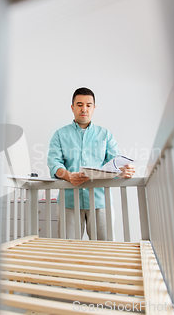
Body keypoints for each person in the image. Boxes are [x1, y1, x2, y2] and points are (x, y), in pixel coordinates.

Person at [47, 87, 135, 240]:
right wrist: (68, 176)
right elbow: (54, 164)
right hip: (69, 202)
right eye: (79, 104)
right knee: (68, 251)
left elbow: (114, 163)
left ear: (94, 108)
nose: (84, 109)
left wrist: (124, 170)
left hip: (100, 200)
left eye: (88, 105)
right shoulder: (60, 135)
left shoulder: (106, 135)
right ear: (72, 107)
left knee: (105, 250)